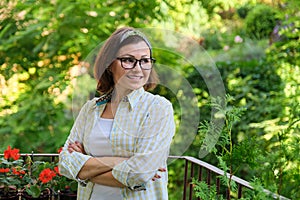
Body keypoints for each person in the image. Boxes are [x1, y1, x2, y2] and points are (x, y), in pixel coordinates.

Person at [58, 27, 175, 200]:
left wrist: (84, 168)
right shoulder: (90, 109)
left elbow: (139, 174)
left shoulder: (158, 108)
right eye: (128, 60)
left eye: (145, 61)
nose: (138, 68)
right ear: (110, 64)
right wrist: (121, 161)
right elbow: (65, 164)